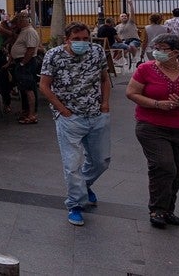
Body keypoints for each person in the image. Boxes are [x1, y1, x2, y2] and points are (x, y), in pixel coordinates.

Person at [125, 34, 179, 228]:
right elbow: (131, 93)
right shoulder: (145, 69)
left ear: (175, 53)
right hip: (151, 126)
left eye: (162, 48)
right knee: (163, 166)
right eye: (156, 47)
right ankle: (157, 209)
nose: (157, 51)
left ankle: (169, 209)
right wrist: (156, 104)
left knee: (177, 170)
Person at [39, 22, 111, 227]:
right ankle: (75, 204)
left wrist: (105, 104)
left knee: (101, 160)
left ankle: (84, 185)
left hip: (97, 114)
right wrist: (62, 110)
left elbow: (104, 79)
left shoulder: (97, 51)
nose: (82, 43)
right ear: (66, 40)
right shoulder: (53, 55)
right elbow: (44, 85)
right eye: (76, 39)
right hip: (70, 117)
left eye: (85, 39)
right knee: (72, 164)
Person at [10, 13, 41, 124]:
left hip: (26, 63)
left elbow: (31, 49)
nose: (16, 24)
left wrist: (23, 63)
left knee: (29, 89)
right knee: (24, 88)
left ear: (23, 21)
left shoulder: (29, 32)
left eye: (17, 22)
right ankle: (27, 111)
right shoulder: (24, 31)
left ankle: (32, 114)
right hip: (22, 62)